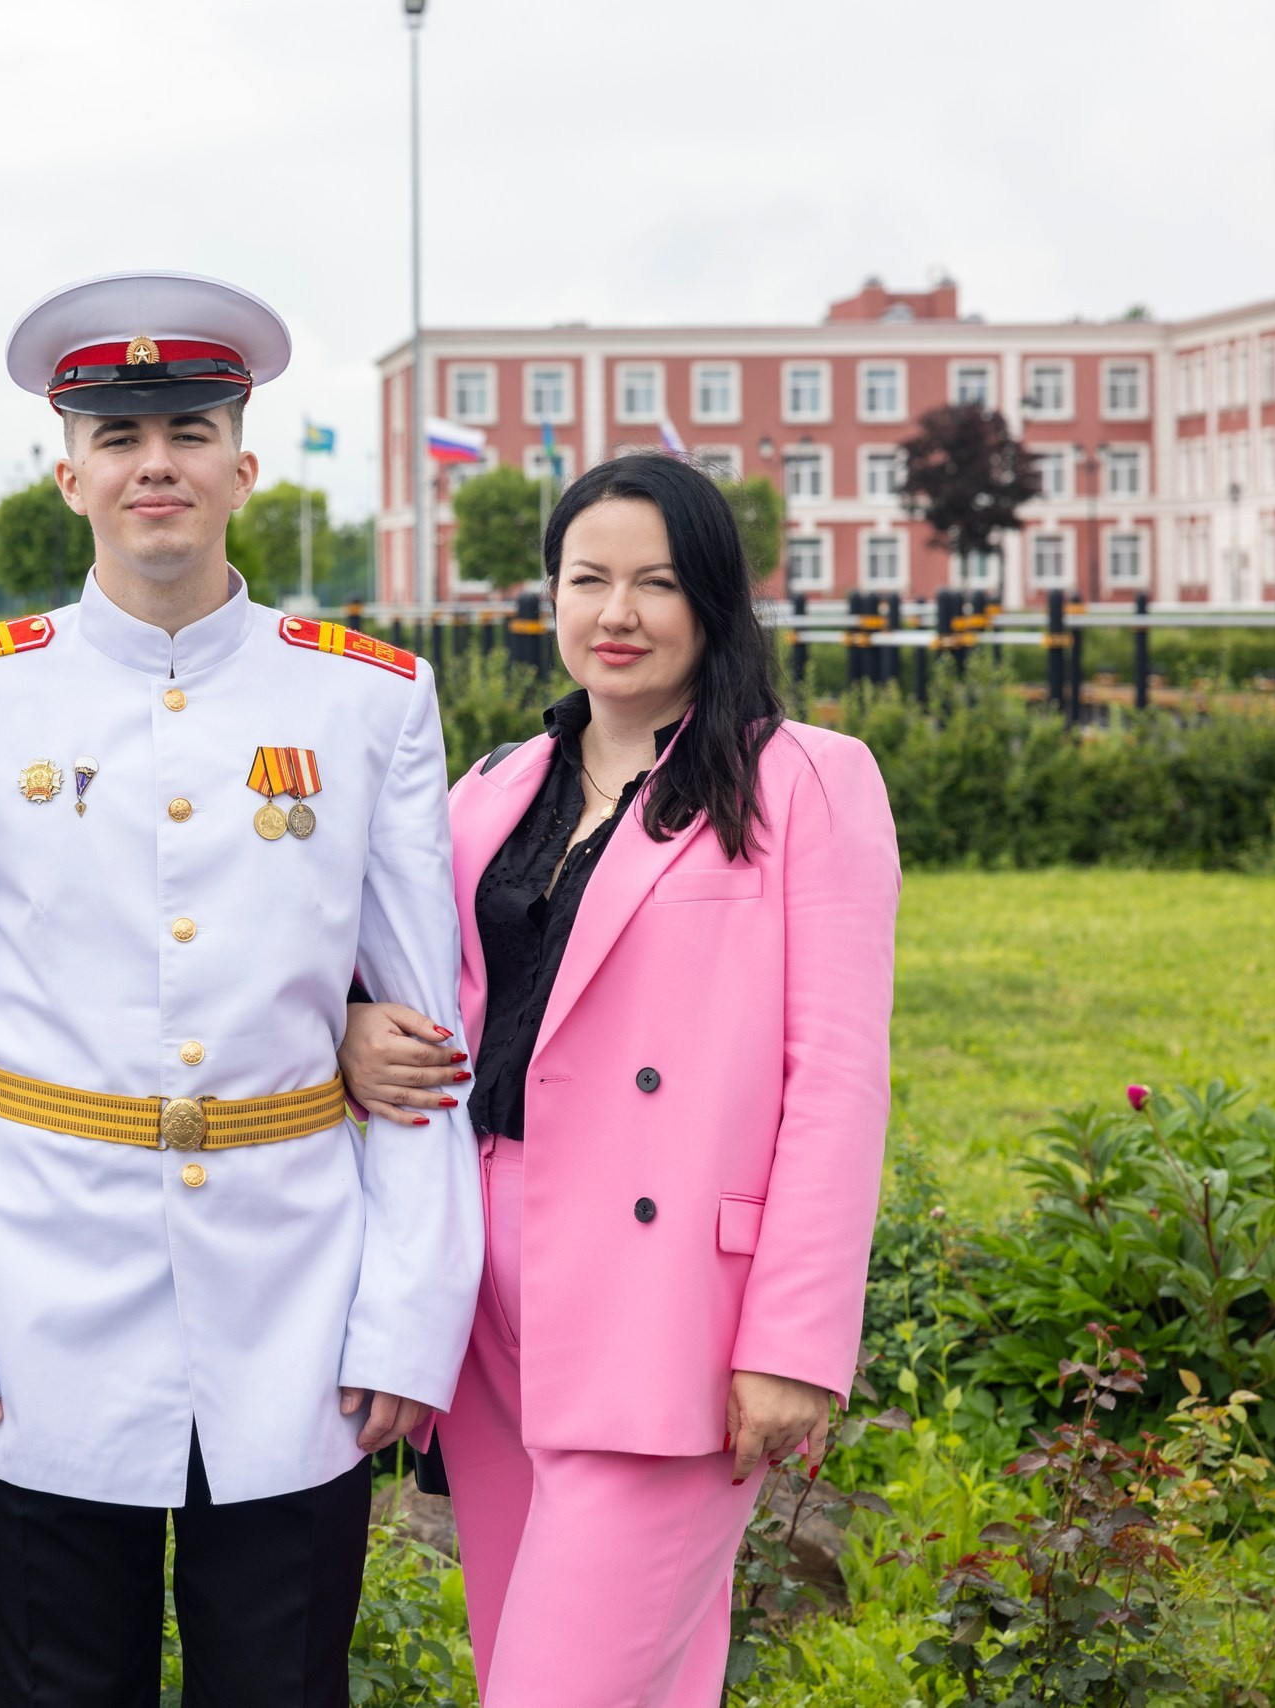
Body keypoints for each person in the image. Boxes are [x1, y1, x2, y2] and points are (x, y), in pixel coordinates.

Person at [0, 271, 481, 1704]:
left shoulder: (369, 698)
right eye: (122, 433)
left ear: (243, 464)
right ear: (68, 469)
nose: (158, 461)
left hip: (295, 1295)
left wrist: (408, 1312)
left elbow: (421, 1034)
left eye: (192, 429)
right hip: (42, 1293)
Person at [341, 453, 901, 1706]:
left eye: (654, 581)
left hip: (674, 1312)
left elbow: (837, 1077)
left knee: (554, 1686)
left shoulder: (803, 780)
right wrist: (354, 1028)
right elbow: (407, 992)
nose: (617, 612)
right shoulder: (492, 790)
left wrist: (796, 1339)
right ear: (549, 596)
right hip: (485, 1295)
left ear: (712, 600)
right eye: (587, 578)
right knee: (608, 1674)